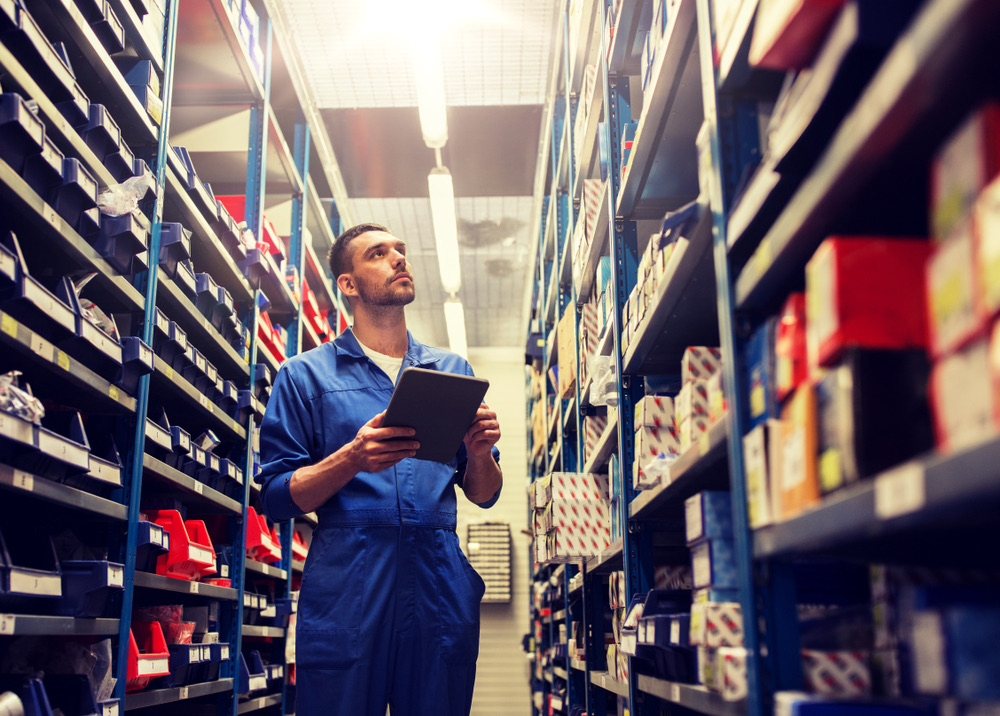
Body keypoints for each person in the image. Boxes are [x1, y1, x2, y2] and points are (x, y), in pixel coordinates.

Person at [256, 223, 502, 716]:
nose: (398, 258)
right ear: (348, 284)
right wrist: (352, 458)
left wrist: (479, 453)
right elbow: (277, 497)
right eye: (378, 253)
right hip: (350, 582)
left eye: (401, 250)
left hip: (437, 580)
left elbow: (485, 493)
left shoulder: (451, 371)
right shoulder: (303, 376)